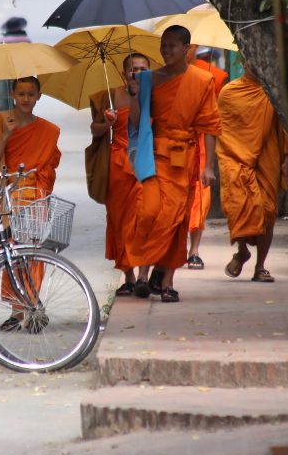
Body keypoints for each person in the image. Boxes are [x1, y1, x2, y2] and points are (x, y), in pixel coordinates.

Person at [127, 26, 221, 302]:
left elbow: (211, 126)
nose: (166, 51)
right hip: (155, 156)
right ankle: (144, 274)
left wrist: (209, 167)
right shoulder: (147, 79)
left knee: (178, 218)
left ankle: (166, 280)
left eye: (172, 46)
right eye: (163, 46)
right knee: (150, 212)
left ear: (187, 48)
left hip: (185, 157)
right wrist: (134, 95)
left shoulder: (202, 80)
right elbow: (135, 122)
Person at [0, 77, 61, 331]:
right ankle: (18, 309)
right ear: (13, 94)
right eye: (21, 93)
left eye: (31, 94)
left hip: (34, 195)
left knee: (33, 254)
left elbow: (50, 165)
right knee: (12, 252)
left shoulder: (48, 130)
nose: (26, 99)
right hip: (7, 197)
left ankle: (28, 306)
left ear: (39, 96)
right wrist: (6, 135)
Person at [217, 65, 288, 282]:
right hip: (235, 158)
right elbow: (223, 128)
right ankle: (242, 251)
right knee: (239, 204)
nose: (255, 66)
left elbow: (286, 125)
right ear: (244, 63)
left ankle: (260, 267)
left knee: (267, 211)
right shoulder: (229, 92)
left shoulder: (274, 92)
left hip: (267, 155)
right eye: (250, 61)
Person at [89, 53, 152, 295]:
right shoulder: (111, 96)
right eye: (131, 69)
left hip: (147, 161)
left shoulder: (157, 94)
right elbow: (95, 130)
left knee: (145, 218)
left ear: (149, 71)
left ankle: (144, 276)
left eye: (142, 68)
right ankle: (129, 277)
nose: (136, 73)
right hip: (118, 163)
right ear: (123, 73)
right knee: (120, 222)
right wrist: (107, 123)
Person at [185, 46, 229, 269]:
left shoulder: (209, 75)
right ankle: (171, 250)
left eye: (188, 47)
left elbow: (214, 117)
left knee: (200, 201)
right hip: (173, 146)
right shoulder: (162, 77)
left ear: (190, 47)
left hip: (200, 144)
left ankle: (194, 250)